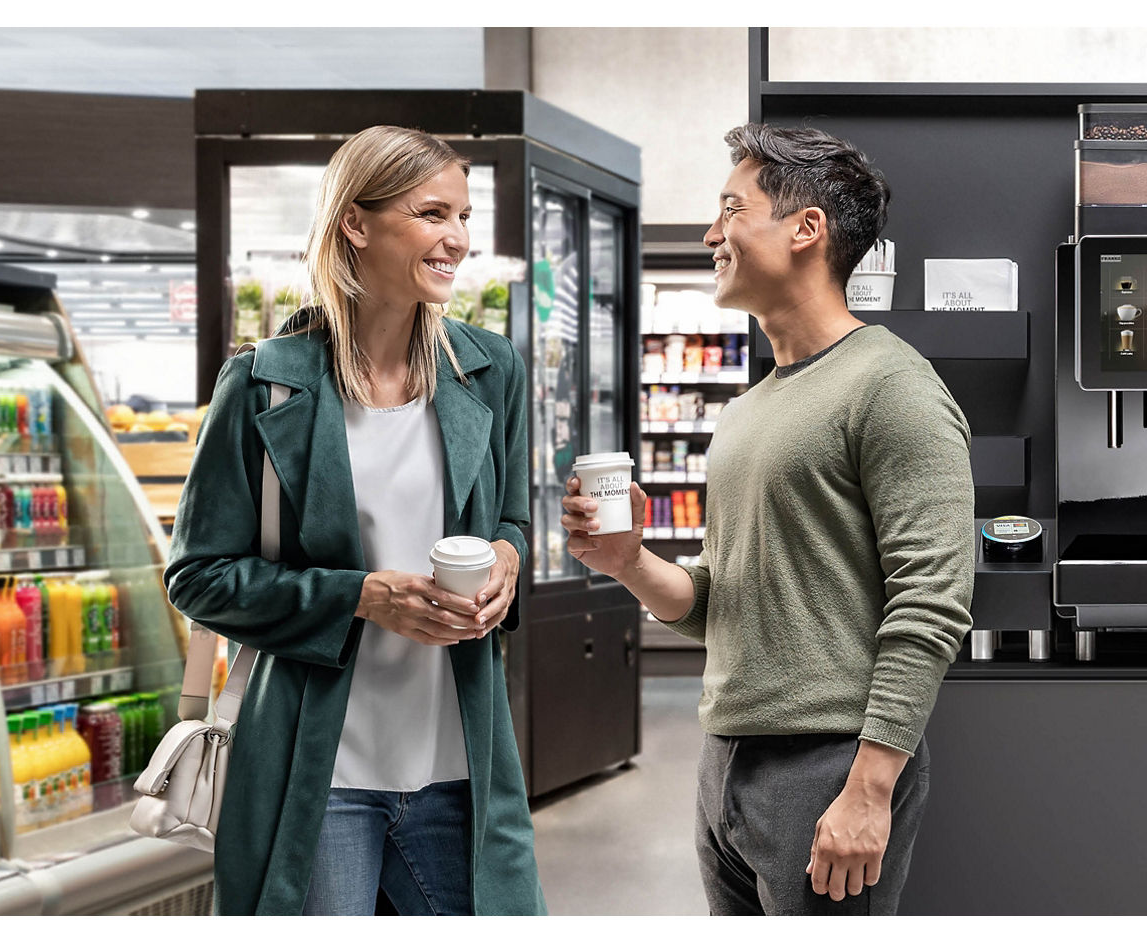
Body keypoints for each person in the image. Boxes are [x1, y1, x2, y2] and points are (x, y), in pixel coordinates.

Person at [561, 123, 974, 916]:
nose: (711, 234)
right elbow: (722, 600)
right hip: (726, 760)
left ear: (805, 229)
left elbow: (930, 602)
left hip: (829, 764)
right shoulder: (748, 409)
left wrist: (869, 786)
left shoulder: (891, 387)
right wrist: (626, 560)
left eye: (729, 210)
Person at [165, 125, 545, 916]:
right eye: (434, 214)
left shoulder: (488, 369)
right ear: (357, 224)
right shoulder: (265, 385)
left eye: (465, 218)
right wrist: (362, 597)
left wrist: (508, 560)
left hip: (461, 764)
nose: (458, 240)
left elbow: (508, 518)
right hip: (320, 772)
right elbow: (198, 577)